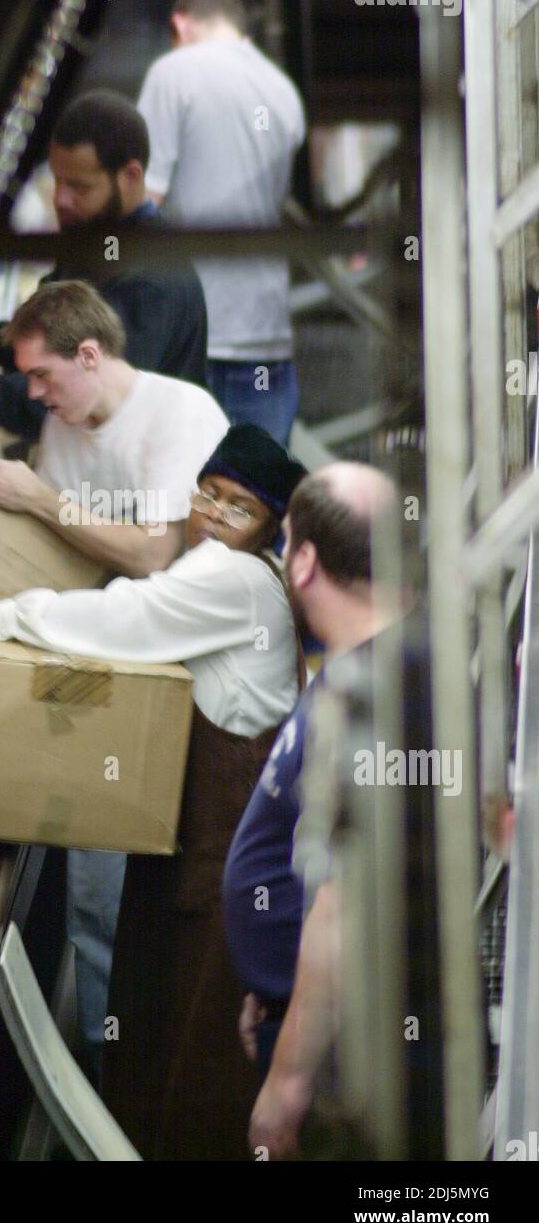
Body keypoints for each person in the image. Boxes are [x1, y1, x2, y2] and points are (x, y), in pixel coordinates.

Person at [0, 424, 307, 1155]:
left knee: (195, 1052)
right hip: (197, 856)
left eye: (238, 509)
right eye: (208, 496)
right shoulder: (242, 576)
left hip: (224, 866)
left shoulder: (233, 577)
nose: (213, 518)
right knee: (163, 1028)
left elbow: (126, 617)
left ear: (268, 530)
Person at [0, 278, 228, 1066]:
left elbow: (152, 552)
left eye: (43, 377)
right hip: (104, 677)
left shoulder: (180, 417)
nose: (33, 393)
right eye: (25, 378)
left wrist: (39, 499)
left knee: (185, 902)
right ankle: (108, 1082)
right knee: (94, 906)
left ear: (91, 355)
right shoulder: (61, 427)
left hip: (192, 688)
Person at [222, 462, 404, 1139]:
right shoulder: (354, 667)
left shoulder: (372, 695)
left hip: (340, 1049)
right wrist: (274, 988)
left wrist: (289, 1076)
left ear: (302, 562)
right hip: (299, 1007)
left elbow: (345, 907)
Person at [0, 90, 209, 438]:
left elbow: (83, 388)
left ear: (131, 176)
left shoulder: (151, 280)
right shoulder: (90, 233)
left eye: (79, 186)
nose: (61, 199)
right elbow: (45, 334)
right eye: (58, 180)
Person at [137, 0, 306, 443]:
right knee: (256, 501)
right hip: (266, 336)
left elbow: (140, 202)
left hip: (190, 336)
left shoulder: (173, 72)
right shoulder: (283, 91)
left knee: (182, 501)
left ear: (180, 24)